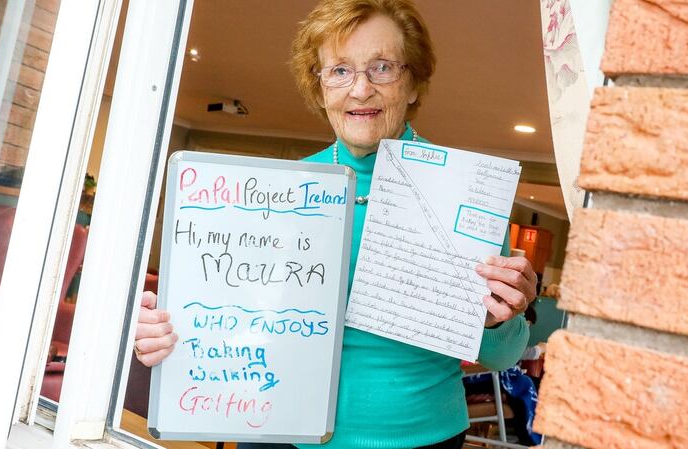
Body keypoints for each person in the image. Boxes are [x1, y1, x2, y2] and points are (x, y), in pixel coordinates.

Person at [135, 1, 536, 447]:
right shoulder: (272, 195)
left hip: (419, 439)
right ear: (320, 86)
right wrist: (167, 332)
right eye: (340, 71)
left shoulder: (466, 198)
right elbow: (232, 323)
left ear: (414, 84)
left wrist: (502, 321)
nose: (360, 90)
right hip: (274, 429)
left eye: (382, 68)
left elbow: (502, 355)